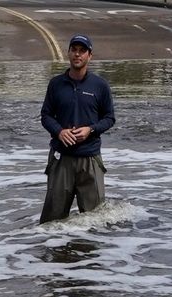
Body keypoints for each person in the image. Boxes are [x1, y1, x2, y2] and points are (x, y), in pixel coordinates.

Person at [39, 35, 115, 224]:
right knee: (51, 223)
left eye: (82, 51)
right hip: (61, 159)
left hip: (90, 159)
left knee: (96, 221)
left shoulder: (100, 85)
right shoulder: (56, 84)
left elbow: (109, 118)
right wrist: (59, 131)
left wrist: (91, 129)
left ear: (90, 56)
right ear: (69, 53)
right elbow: (46, 116)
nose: (77, 54)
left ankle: (87, 245)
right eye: (74, 50)